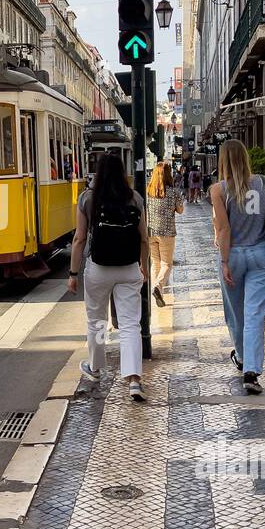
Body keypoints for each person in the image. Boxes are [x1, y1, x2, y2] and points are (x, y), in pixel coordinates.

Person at [66, 151, 150, 402]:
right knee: (130, 324)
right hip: (129, 268)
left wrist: (73, 273)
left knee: (97, 320)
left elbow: (80, 238)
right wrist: (143, 266)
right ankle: (134, 379)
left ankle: (95, 367)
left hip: (98, 268)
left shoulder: (87, 199)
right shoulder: (134, 198)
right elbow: (144, 237)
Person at [210, 139, 265, 396]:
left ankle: (241, 356)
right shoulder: (264, 183)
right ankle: (251, 371)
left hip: (235, 255)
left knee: (235, 313)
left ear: (223, 161)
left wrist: (225, 261)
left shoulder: (218, 190)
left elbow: (223, 228)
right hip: (261, 254)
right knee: (255, 315)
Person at [146, 161, 184, 308]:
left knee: (156, 263)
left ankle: (158, 292)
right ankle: (158, 286)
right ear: (169, 175)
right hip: (167, 232)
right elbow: (181, 211)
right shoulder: (173, 192)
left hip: (151, 232)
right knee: (167, 264)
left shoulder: (149, 191)